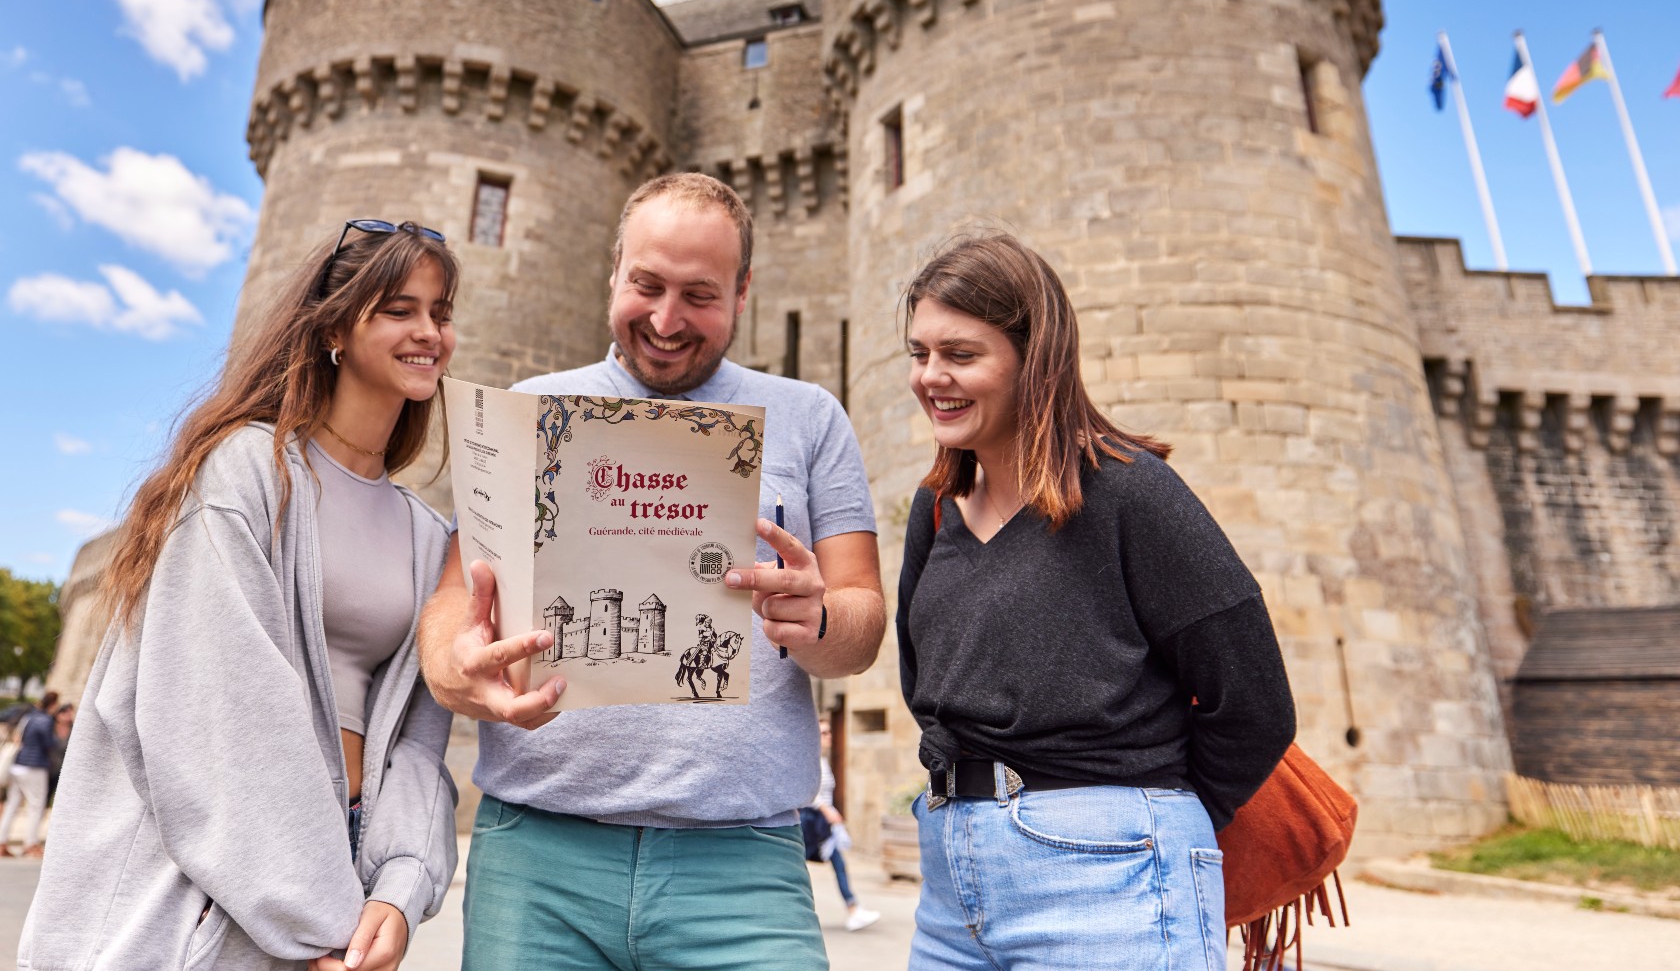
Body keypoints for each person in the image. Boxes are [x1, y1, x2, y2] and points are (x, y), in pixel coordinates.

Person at [422, 172, 887, 971]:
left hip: (742, 865)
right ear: (614, 274)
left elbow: (862, 622)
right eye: (647, 286)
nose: (667, 321)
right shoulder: (530, 409)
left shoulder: (810, 418)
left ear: (743, 293)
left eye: (699, 295)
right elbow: (455, 595)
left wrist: (818, 619)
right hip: (538, 858)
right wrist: (452, 666)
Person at [18, 219, 462, 971]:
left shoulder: (429, 535)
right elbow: (217, 716)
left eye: (441, 313)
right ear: (334, 329)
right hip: (209, 901)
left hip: (334, 893)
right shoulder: (245, 472)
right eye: (399, 309)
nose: (429, 332)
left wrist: (396, 887)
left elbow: (420, 743)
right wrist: (320, 914)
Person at [895, 234, 1297, 970]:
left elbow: (1256, 702)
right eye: (919, 354)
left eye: (960, 354)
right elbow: (926, 687)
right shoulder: (936, 509)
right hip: (952, 888)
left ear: (1034, 359)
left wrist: (1152, 813)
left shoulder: (1131, 490)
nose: (930, 377)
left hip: (1110, 874)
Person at [800, 717, 880, 933]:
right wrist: (827, 810)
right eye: (823, 733)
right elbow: (807, 791)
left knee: (838, 864)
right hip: (810, 822)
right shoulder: (808, 759)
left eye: (828, 732)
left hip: (822, 823)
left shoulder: (823, 760)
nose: (829, 736)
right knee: (797, 865)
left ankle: (853, 909)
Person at [0, 691, 59, 858]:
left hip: (18, 764)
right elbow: (48, 743)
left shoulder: (28, 717)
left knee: (12, 805)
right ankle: (31, 844)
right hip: (35, 765)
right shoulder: (45, 720)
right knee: (36, 806)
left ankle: (0, 842)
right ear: (53, 704)